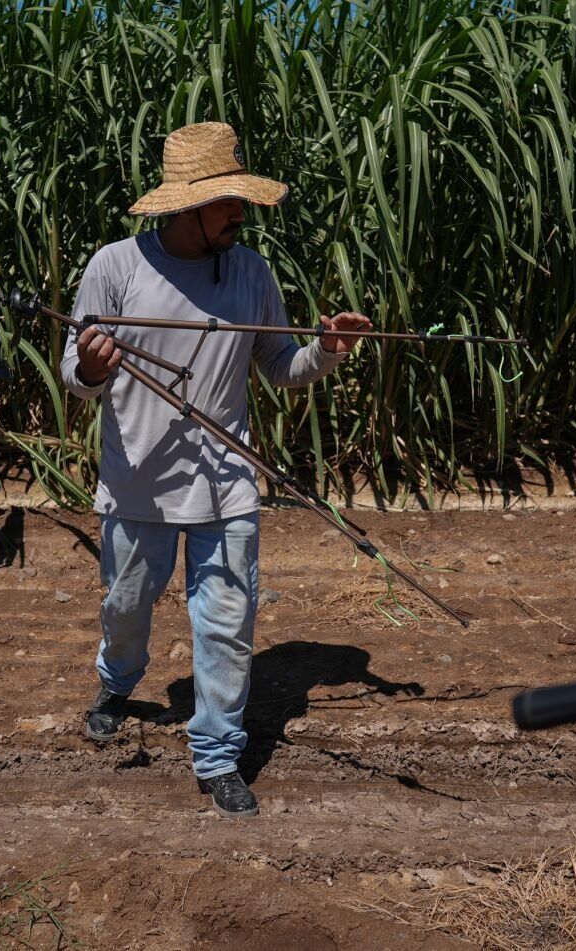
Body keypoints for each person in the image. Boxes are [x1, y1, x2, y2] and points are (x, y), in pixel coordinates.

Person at [60, 120, 370, 819]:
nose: (239, 212)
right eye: (226, 201)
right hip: (138, 480)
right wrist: (87, 366)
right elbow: (73, 375)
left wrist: (325, 349)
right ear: (182, 205)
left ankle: (218, 754)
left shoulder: (251, 273)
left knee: (227, 622)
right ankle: (115, 682)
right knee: (126, 607)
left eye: (241, 199)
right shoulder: (114, 267)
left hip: (227, 479)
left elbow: (279, 366)